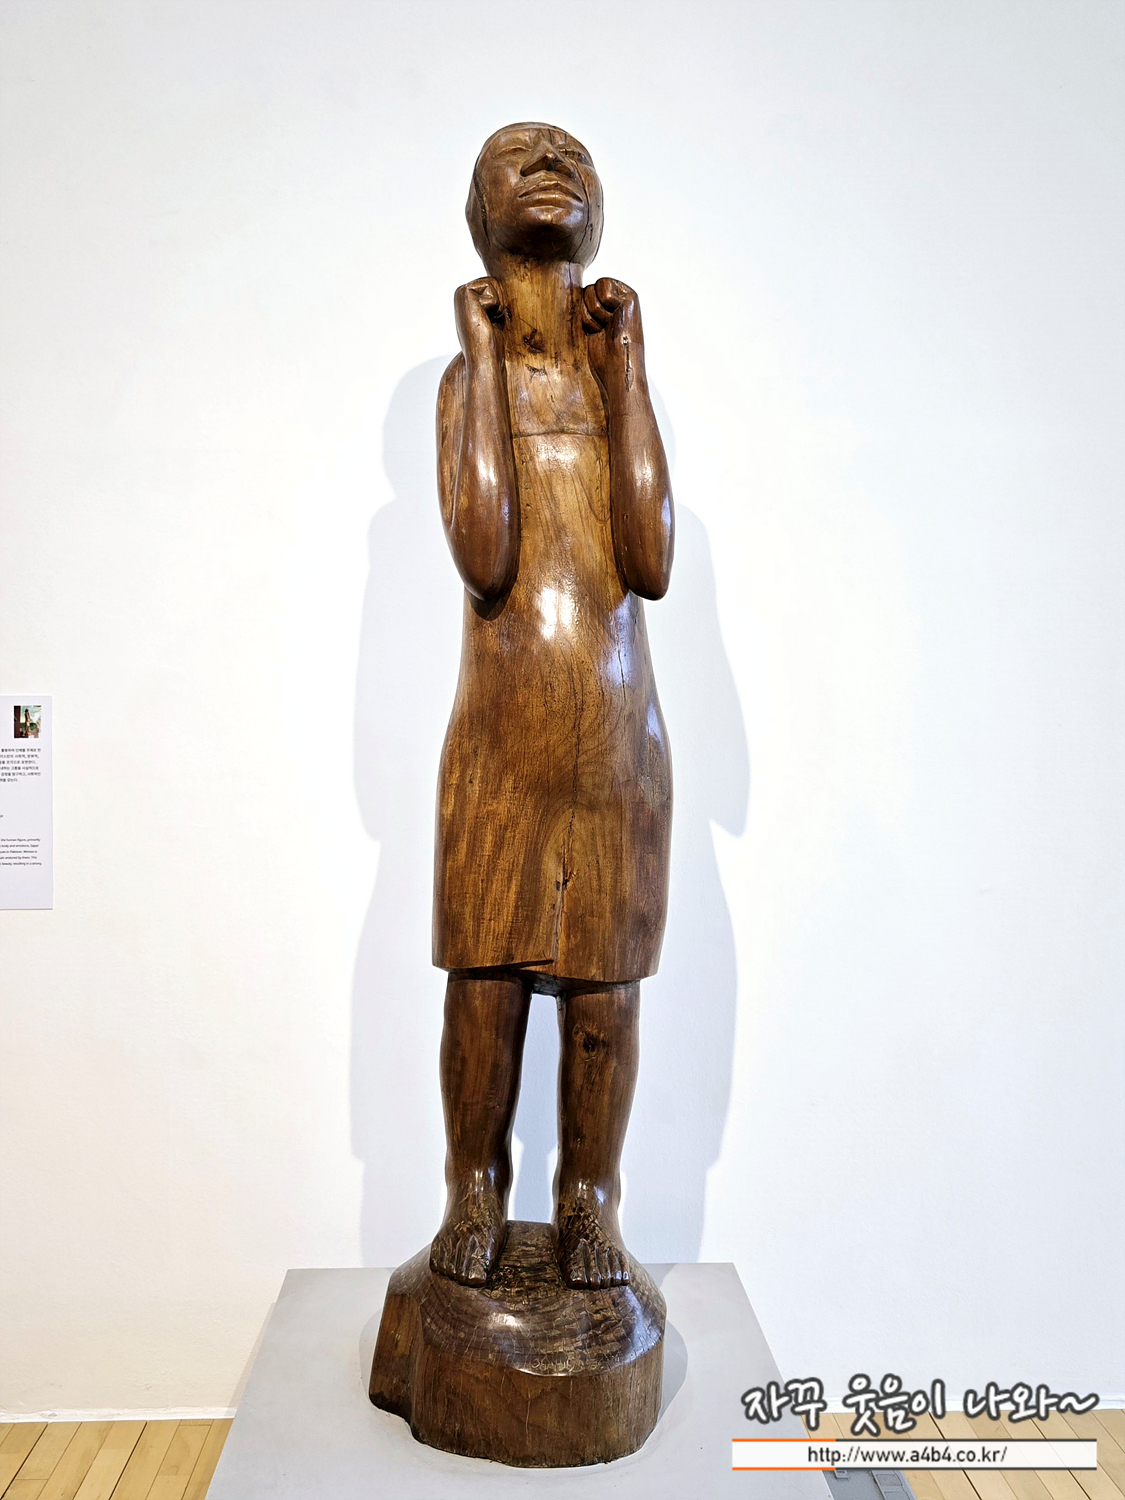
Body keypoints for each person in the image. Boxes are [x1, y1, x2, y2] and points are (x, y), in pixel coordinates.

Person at [429, 122, 674, 1291]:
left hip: (618, 746)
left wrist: (628, 372)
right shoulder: (465, 383)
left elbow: (651, 556)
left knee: (602, 994)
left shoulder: (612, 381)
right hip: (499, 743)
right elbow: (485, 552)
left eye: (572, 157)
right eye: (520, 156)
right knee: (485, 984)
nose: (551, 164)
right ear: (480, 214)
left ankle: (590, 1201)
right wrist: (482, 360)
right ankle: (473, 1187)